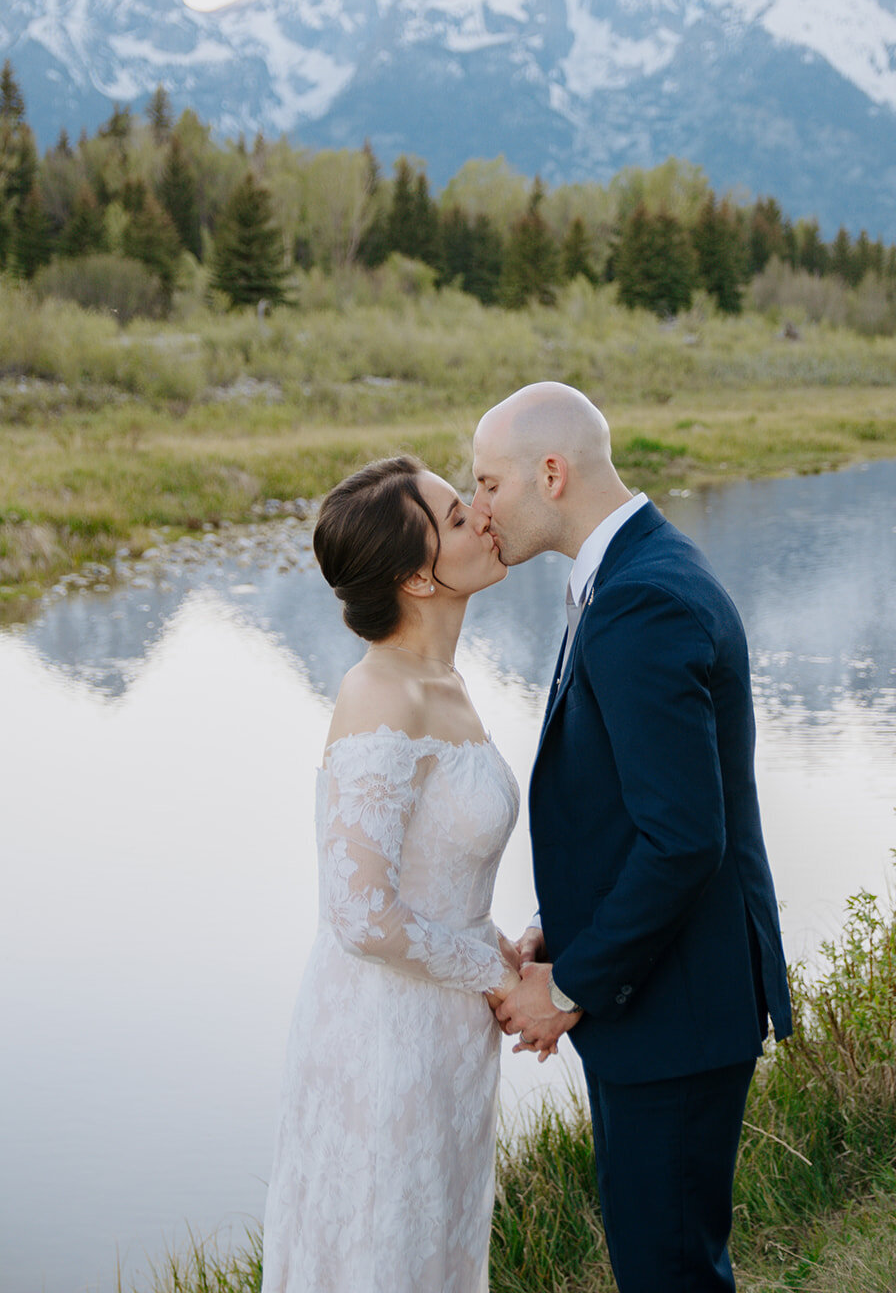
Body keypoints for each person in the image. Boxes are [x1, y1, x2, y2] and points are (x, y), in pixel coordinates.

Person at [471, 382, 793, 1293]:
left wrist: (567, 983)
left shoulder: (641, 600)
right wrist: (558, 926)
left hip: (675, 1007)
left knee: (669, 1275)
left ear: (550, 472)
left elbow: (685, 839)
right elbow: (634, 807)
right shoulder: (631, 572)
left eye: (488, 484)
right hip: (661, 993)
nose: (479, 507)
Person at [261, 455, 522, 1293]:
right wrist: (498, 971)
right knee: (383, 1253)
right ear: (416, 575)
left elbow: (435, 868)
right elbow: (360, 913)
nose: (481, 517)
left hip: (445, 1031)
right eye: (455, 517)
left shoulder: (441, 681)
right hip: (384, 1036)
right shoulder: (381, 694)